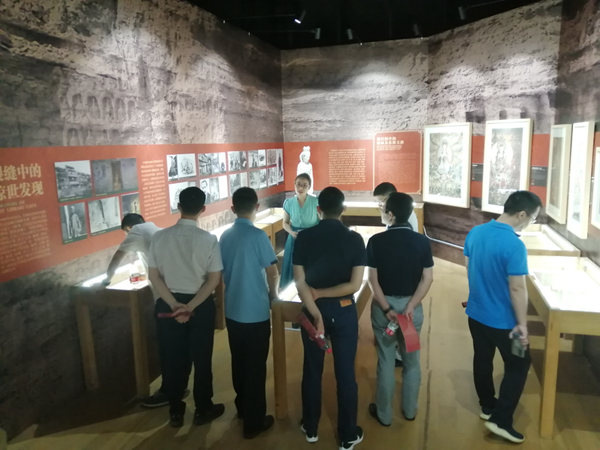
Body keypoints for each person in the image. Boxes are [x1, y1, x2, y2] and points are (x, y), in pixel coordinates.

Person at [464, 190, 541, 444]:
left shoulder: (476, 232)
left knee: (482, 358)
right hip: (504, 322)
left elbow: (469, 267)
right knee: (519, 365)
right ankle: (501, 420)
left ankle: (487, 405)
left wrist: (477, 295)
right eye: (532, 218)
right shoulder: (514, 245)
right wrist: (522, 325)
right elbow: (517, 288)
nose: (530, 223)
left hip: (476, 314)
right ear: (522, 214)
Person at [293, 186, 366, 450]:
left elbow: (300, 282)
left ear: (318, 209)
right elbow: (354, 285)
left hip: (313, 311)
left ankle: (311, 427)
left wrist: (315, 311)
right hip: (344, 310)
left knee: (312, 370)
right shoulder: (355, 239)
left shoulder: (303, 238)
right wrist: (325, 294)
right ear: (343, 209)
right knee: (345, 373)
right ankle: (347, 435)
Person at [148, 186, 224, 428]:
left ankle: (175, 410)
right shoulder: (208, 240)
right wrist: (189, 307)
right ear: (203, 209)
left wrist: (174, 304)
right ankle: (203, 408)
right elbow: (213, 279)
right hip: (199, 305)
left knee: (172, 358)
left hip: (168, 305)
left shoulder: (159, 238)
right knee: (202, 359)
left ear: (178, 207)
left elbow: (154, 276)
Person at [103, 213, 191, 408]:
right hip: (181, 292)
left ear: (129, 228)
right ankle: (179, 387)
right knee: (180, 344)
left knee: (167, 346)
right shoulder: (156, 230)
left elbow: (119, 255)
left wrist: (107, 279)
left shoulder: (137, 231)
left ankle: (168, 392)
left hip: (166, 298)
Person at [366, 193, 433, 426]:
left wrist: (387, 309)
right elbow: (427, 278)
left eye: (384, 209)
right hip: (410, 312)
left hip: (383, 308)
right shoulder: (422, 242)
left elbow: (372, 280)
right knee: (412, 360)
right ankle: (410, 410)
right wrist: (411, 306)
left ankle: (384, 414)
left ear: (391, 214)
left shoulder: (376, 241)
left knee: (386, 359)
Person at [219, 187, 280, 439]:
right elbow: (272, 272)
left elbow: (220, 273)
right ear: (257, 207)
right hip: (256, 312)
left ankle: (243, 408)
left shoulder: (224, 237)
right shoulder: (258, 236)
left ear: (233, 209)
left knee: (239, 361)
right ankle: (254, 422)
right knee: (256, 367)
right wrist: (274, 297)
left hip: (233, 311)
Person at [373, 182, 419, 368]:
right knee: (412, 360)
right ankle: (404, 356)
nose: (381, 207)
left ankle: (399, 355)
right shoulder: (403, 217)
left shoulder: (404, 223)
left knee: (389, 356)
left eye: (382, 203)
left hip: (398, 291)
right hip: (408, 292)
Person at [280, 173, 319, 289]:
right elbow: (285, 223)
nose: (301, 188)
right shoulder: (289, 203)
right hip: (294, 237)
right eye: (298, 184)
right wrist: (291, 232)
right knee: (293, 265)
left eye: (304, 185)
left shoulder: (316, 201)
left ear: (309, 187)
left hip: (312, 238)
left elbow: (321, 220)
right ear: (294, 185)